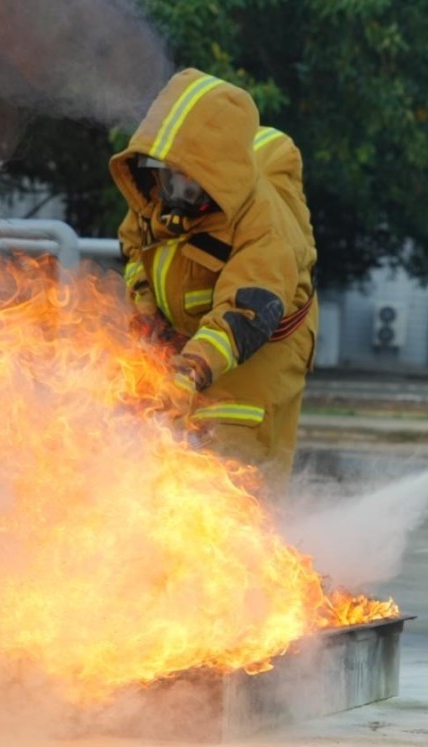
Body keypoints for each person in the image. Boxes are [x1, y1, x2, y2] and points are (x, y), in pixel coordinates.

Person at [108, 68, 318, 502]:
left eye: (189, 183)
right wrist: (148, 316)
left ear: (218, 176)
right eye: (167, 177)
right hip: (193, 340)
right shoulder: (154, 198)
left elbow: (246, 311)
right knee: (153, 450)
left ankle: (254, 540)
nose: (174, 195)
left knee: (233, 464)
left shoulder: (265, 224)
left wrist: (190, 369)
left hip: (261, 346)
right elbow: (134, 251)